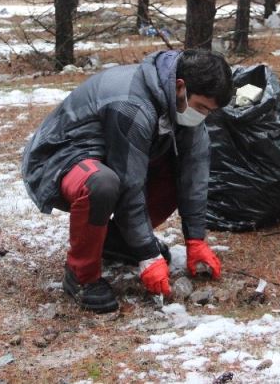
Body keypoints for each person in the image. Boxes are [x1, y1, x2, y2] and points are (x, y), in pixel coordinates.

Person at [22, 49, 232, 312]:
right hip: (58, 158)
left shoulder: (179, 101)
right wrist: (147, 253)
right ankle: (81, 275)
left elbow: (194, 170)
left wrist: (196, 239)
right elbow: (129, 183)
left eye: (209, 111)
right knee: (102, 183)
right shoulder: (133, 104)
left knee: (171, 171)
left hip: (109, 156)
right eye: (201, 107)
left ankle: (116, 241)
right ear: (180, 86)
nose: (203, 115)